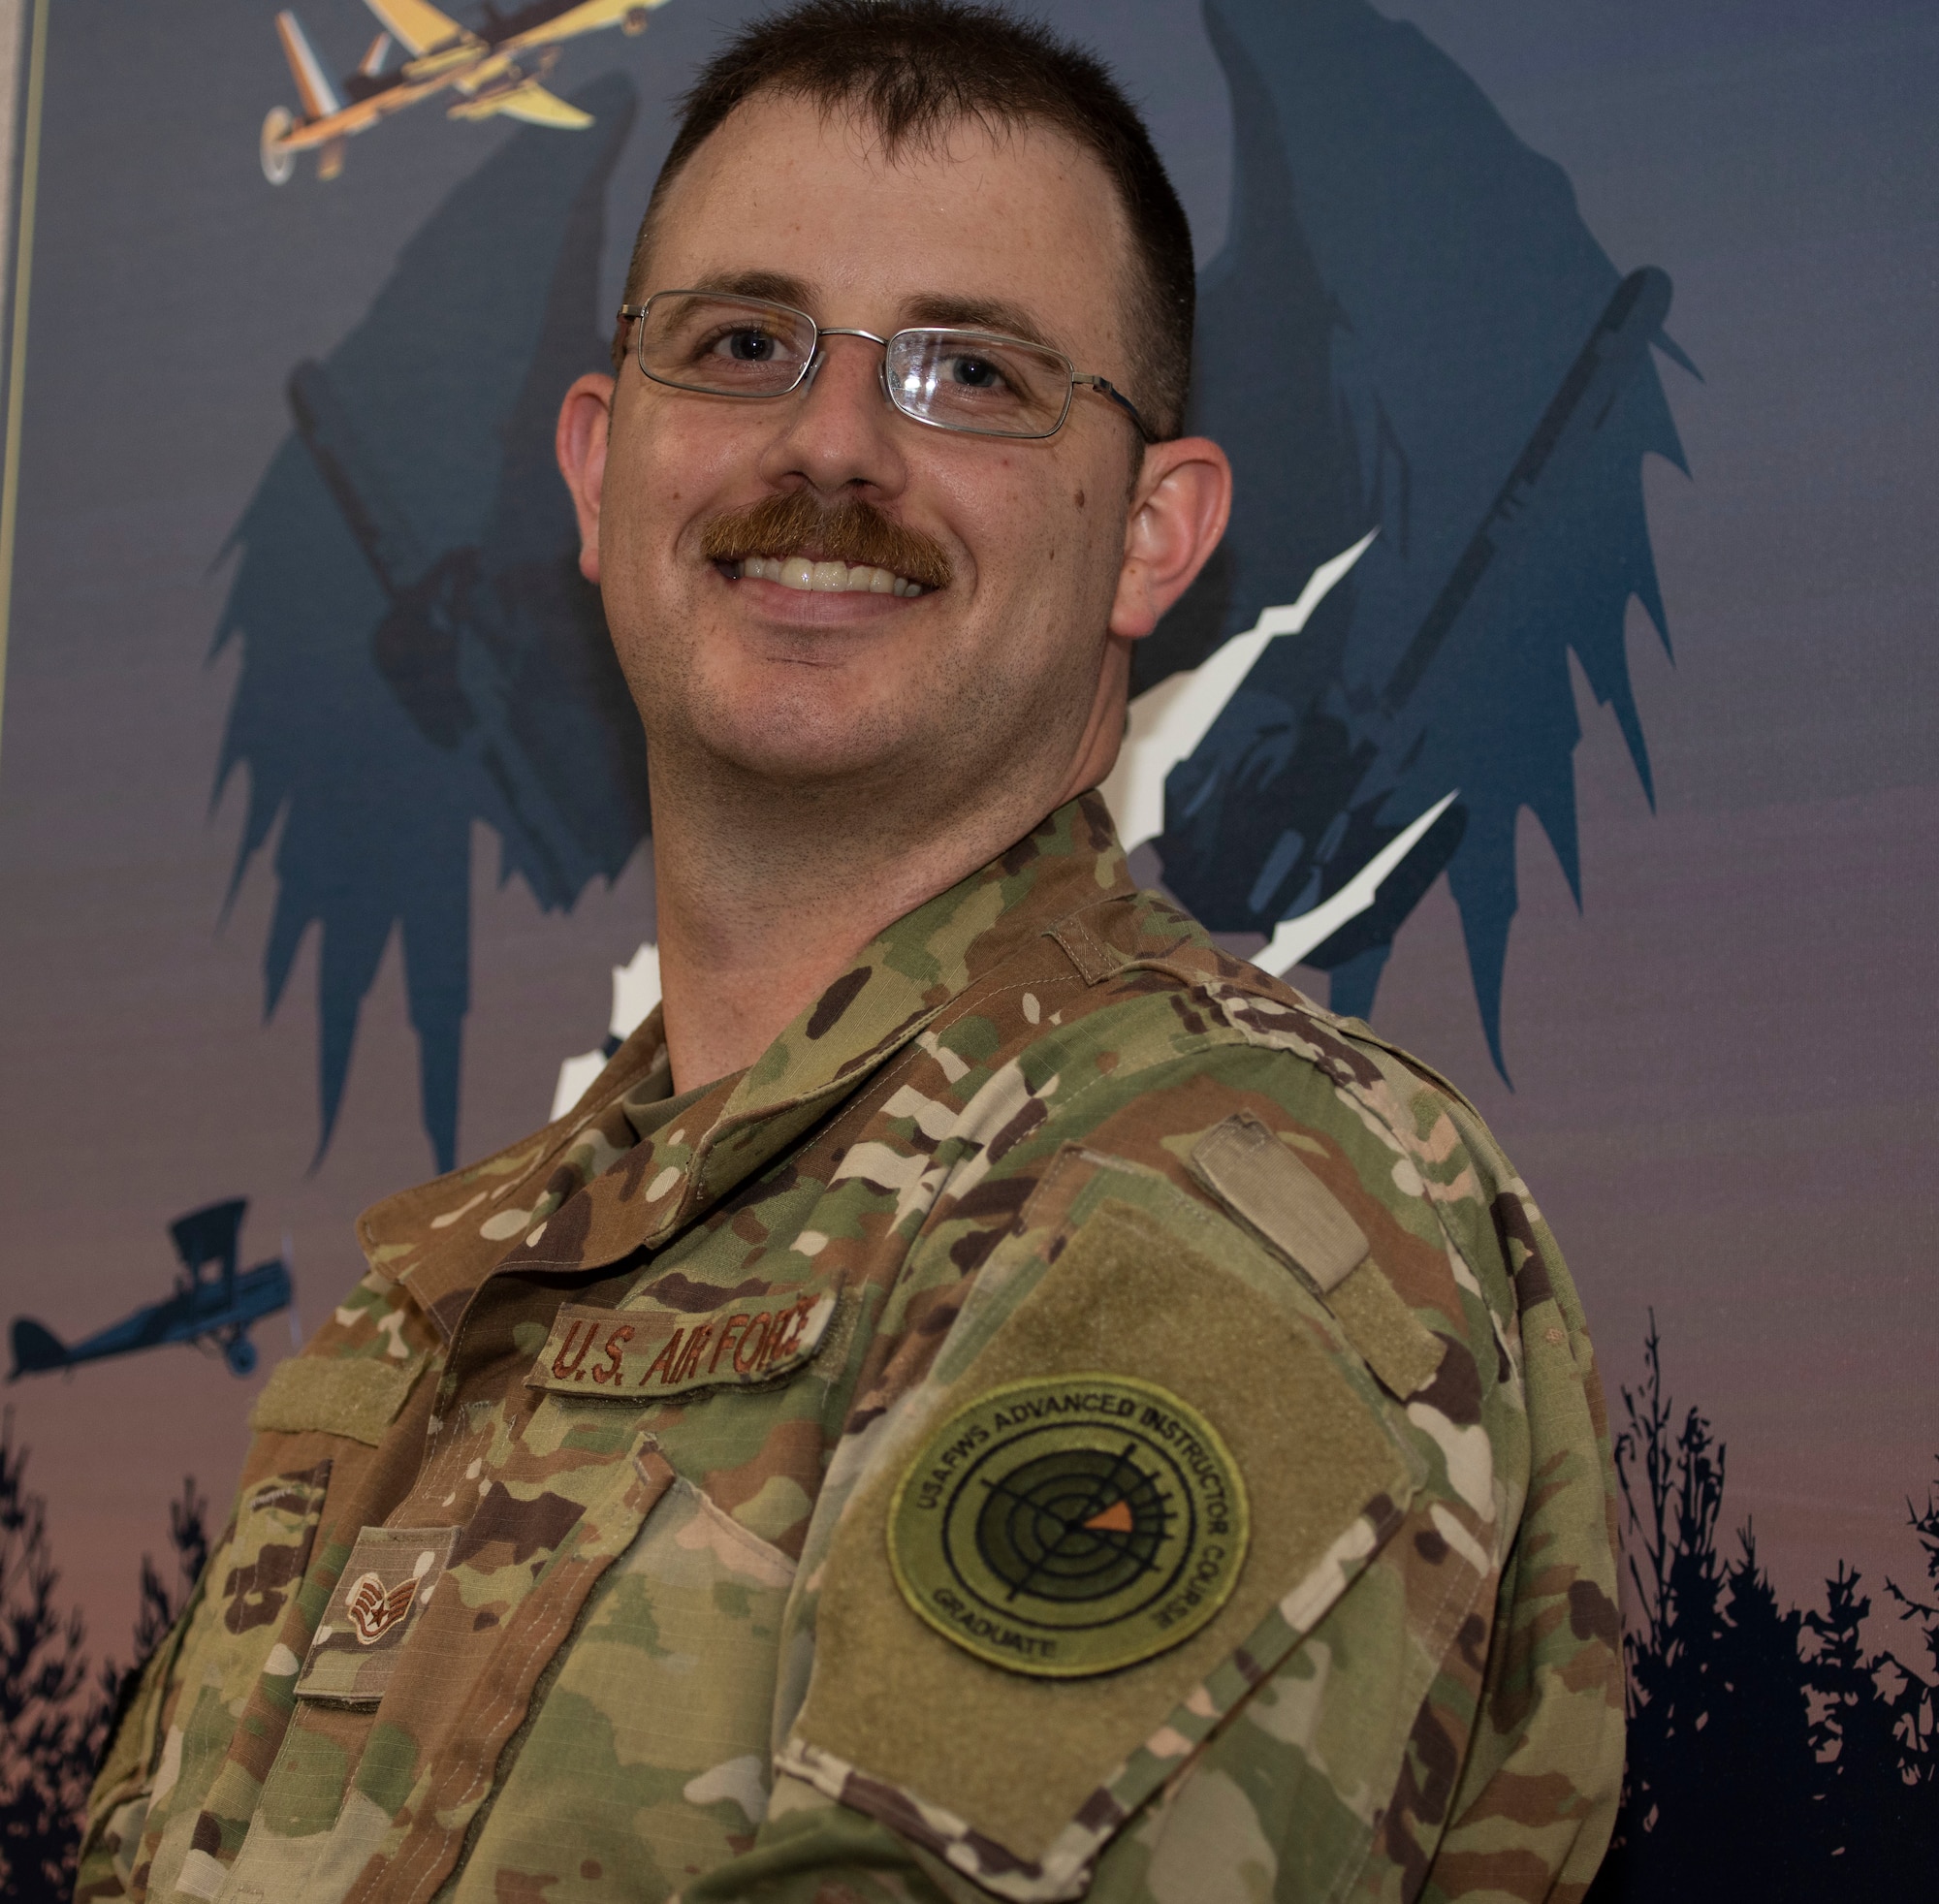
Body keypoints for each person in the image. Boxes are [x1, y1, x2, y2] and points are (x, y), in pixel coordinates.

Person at [79, 5, 1622, 1899]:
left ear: (1154, 533)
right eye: (740, 345)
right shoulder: (433, 1319)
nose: (829, 442)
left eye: (968, 374)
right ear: (593, 466)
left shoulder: (1218, 1189)